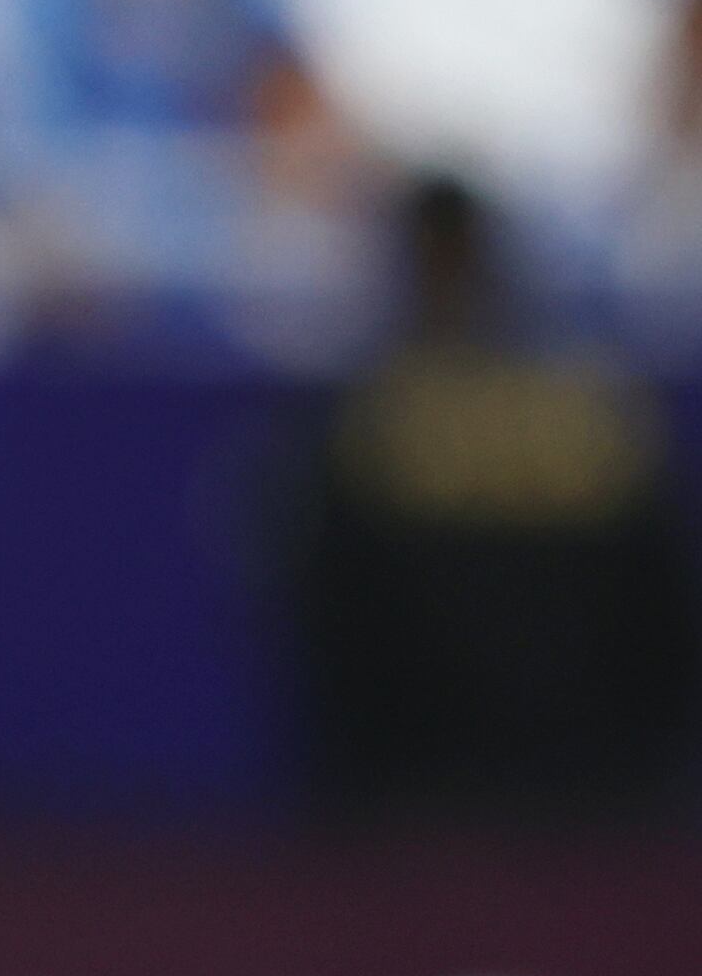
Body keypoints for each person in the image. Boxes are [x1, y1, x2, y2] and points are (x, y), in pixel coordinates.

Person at [267, 174, 696, 822]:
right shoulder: (369, 414)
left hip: (588, 773)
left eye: (460, 259)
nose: (450, 279)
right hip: (416, 772)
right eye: (434, 261)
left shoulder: (581, 402)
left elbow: (654, 587)